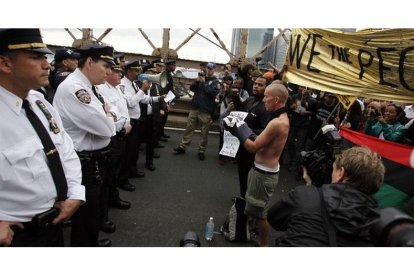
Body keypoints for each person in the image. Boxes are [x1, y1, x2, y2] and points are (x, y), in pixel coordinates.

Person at [0, 28, 84, 246]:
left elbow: (64, 149)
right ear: (5, 64)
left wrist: (74, 192)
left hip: (52, 225)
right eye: (36, 57)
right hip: (17, 236)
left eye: (45, 57)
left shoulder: (38, 102)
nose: (46, 64)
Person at [53, 44, 116, 247]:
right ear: (89, 62)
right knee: (85, 216)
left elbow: (111, 113)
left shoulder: (90, 87)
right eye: (106, 66)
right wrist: (107, 116)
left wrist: (108, 115)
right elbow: (107, 128)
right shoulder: (75, 89)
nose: (109, 72)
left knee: (92, 211)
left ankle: (89, 243)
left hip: (94, 159)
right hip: (83, 162)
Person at [267, 147, 385, 246]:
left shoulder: (304, 195)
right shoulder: (381, 226)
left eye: (333, 169)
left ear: (341, 173)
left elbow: (274, 219)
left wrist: (309, 189)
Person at [223, 83, 290, 246]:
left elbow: (253, 147)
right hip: (262, 170)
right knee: (253, 207)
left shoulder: (277, 123)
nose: (264, 99)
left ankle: (263, 245)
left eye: (267, 96)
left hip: (263, 173)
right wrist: (243, 127)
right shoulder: (279, 118)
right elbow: (261, 140)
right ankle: (255, 235)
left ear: (276, 99)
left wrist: (238, 130)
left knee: (260, 213)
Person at [96, 57, 131, 234]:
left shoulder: (116, 89)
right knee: (106, 175)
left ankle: (113, 198)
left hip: (121, 134)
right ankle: (101, 217)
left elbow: (120, 110)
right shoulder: (102, 90)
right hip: (112, 136)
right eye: (116, 71)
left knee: (113, 171)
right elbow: (109, 114)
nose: (119, 74)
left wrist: (126, 124)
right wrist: (122, 124)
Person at [173, 62, 221, 160]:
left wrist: (203, 82)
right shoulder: (201, 77)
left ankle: (201, 150)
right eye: (207, 68)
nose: (208, 70)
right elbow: (192, 89)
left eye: (211, 69)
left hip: (206, 110)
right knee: (189, 128)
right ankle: (183, 146)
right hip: (195, 108)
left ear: (214, 70)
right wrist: (197, 81)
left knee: (204, 132)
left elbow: (212, 93)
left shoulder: (216, 82)